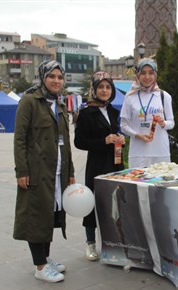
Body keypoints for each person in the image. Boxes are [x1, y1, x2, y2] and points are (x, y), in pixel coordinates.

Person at [13, 60, 76, 283]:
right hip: (36, 171)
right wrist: (21, 171)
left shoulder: (59, 105)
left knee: (51, 215)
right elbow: (19, 138)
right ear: (43, 78)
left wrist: (70, 171)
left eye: (60, 77)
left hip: (57, 171)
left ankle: (46, 258)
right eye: (52, 76)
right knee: (37, 216)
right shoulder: (29, 101)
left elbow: (65, 143)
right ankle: (39, 267)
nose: (56, 81)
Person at [74, 71, 125, 261]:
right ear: (94, 89)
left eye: (108, 87)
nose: (104, 90)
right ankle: (90, 244)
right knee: (92, 204)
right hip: (96, 165)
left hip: (114, 163)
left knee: (114, 203)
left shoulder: (113, 111)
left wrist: (120, 140)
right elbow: (79, 142)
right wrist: (103, 140)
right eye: (101, 87)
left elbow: (116, 134)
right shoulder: (86, 112)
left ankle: (112, 241)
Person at [120, 57, 175, 168]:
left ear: (155, 75)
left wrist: (163, 123)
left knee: (160, 184)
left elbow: (172, 123)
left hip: (161, 152)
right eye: (143, 73)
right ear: (137, 75)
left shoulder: (164, 96)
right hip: (138, 153)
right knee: (138, 184)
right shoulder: (130, 97)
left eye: (151, 73)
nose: (147, 77)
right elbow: (123, 125)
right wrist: (137, 135)